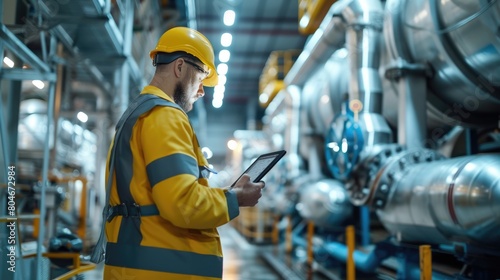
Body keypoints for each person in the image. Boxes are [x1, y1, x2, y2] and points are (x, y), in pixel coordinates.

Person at [90, 26, 265, 279]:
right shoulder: (166, 116)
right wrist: (236, 199)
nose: (203, 90)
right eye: (202, 76)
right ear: (180, 67)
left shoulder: (138, 115)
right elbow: (183, 204)